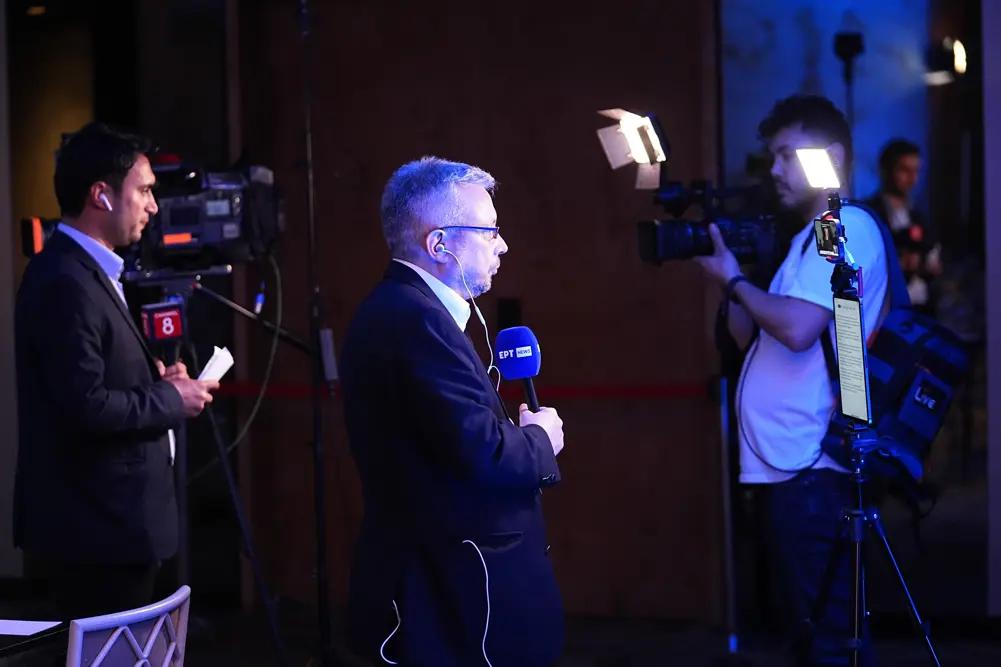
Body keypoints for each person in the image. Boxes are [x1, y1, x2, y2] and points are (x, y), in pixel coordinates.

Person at [339, 156, 566, 667]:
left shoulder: (407, 311)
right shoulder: (415, 320)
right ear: (439, 244)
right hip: (450, 602)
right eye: (490, 231)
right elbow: (481, 454)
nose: (502, 245)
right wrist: (541, 438)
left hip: (446, 590)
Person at [695, 95, 887, 666]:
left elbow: (799, 328)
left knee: (828, 639)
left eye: (786, 155)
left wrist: (736, 283)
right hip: (790, 466)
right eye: (772, 157)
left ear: (831, 156)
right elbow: (748, 338)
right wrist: (735, 279)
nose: (774, 170)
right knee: (811, 633)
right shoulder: (810, 237)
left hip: (813, 467)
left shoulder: (842, 226)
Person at [13, 122, 219, 621]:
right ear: (101, 196)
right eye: (144, 191)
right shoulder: (64, 279)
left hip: (114, 527)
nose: (154, 206)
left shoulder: (88, 271)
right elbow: (84, 406)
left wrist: (157, 382)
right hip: (95, 531)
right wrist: (172, 399)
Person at [863, 138, 941, 314]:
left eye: (916, 171)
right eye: (904, 170)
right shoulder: (868, 215)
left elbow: (932, 255)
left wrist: (927, 264)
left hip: (921, 310)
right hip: (885, 309)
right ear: (885, 170)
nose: (912, 178)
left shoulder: (920, 216)